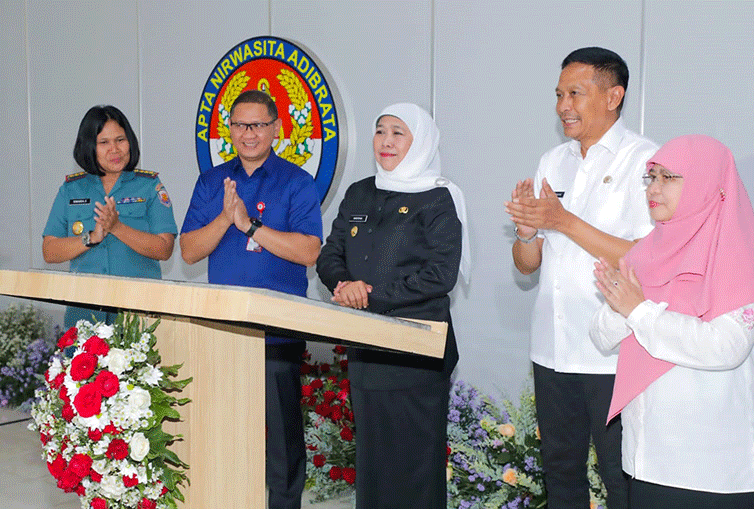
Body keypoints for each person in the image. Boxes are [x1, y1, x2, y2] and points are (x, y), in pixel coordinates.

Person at [590, 135, 754, 509]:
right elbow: (600, 335)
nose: (653, 188)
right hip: (648, 460)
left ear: (706, 184)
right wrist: (624, 308)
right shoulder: (645, 253)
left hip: (718, 469)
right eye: (651, 177)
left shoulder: (740, 259)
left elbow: (724, 347)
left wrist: (639, 311)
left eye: (668, 177)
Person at [504, 47, 658, 509]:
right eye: (558, 95)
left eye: (575, 94)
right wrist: (527, 232)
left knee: (620, 475)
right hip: (552, 348)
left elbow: (647, 258)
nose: (563, 106)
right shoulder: (553, 161)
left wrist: (563, 220)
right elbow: (527, 265)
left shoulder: (646, 161)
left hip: (613, 354)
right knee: (560, 472)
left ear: (613, 96)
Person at [316, 102, 469, 509]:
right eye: (380, 130)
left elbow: (441, 275)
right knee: (374, 464)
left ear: (421, 142)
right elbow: (330, 254)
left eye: (398, 133)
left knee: (414, 465)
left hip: (417, 352)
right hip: (366, 348)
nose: (386, 141)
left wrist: (370, 295)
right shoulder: (360, 192)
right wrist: (343, 284)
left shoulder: (438, 197)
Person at [179, 89, 322, 509]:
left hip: (276, 334)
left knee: (282, 443)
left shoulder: (297, 181)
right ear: (230, 129)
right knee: (223, 437)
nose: (249, 133)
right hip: (222, 332)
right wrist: (226, 218)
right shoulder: (212, 182)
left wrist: (250, 225)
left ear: (276, 128)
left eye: (258, 124)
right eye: (240, 125)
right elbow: (188, 251)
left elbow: (309, 251)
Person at [42, 105, 177, 327]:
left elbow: (164, 249)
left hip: (137, 319)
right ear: (89, 147)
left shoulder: (149, 186)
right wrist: (91, 238)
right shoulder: (71, 190)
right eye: (104, 142)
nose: (115, 149)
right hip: (84, 319)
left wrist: (117, 228)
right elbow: (49, 251)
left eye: (120, 140)